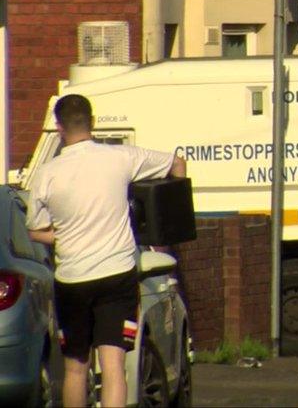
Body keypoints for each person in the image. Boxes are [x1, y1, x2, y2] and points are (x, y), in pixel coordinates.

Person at [26, 94, 187, 407]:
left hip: (72, 279)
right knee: (113, 366)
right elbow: (176, 163)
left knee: (75, 368)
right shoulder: (120, 158)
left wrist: (63, 237)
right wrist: (170, 226)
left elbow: (36, 229)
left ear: (59, 128)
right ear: (93, 122)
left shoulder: (46, 175)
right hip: (117, 276)